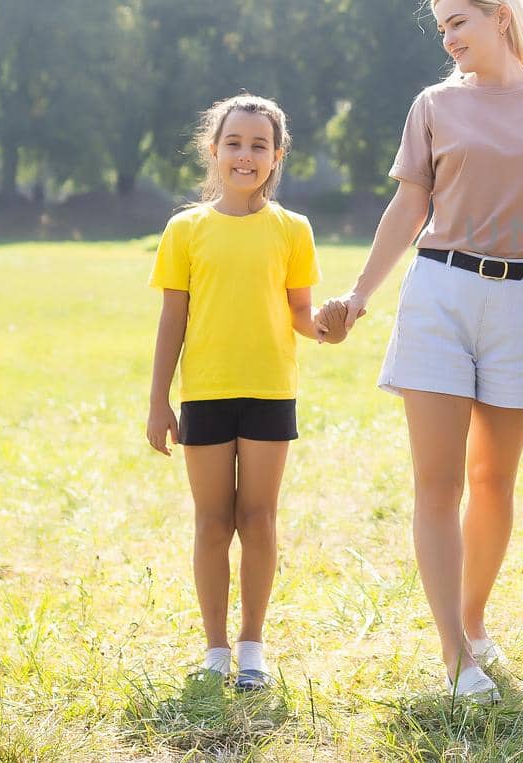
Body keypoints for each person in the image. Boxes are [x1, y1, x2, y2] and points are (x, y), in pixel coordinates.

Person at [320, 0, 523, 704]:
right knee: (437, 481)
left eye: (459, 20)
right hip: (440, 294)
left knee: (494, 480)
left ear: (501, 17)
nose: (448, 36)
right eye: (444, 23)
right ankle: (455, 654)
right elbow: (407, 207)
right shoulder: (433, 105)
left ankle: (472, 619)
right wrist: (361, 292)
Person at [146, 93, 328, 691]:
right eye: (234, 143)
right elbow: (173, 318)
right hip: (205, 394)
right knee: (211, 523)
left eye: (258, 145)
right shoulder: (185, 229)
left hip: (271, 392)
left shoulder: (293, 230)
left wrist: (327, 322)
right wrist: (157, 401)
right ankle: (216, 648)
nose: (245, 155)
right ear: (213, 149)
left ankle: (252, 644)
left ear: (276, 156)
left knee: (259, 518)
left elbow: (300, 313)